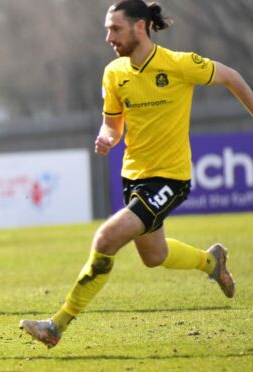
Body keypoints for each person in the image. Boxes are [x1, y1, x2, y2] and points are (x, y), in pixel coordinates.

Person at [20, 0, 253, 349]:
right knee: (153, 256)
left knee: (106, 239)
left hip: (170, 179)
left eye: (114, 29)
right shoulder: (114, 72)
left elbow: (232, 76)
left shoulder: (179, 64)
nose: (108, 37)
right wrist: (107, 137)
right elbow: (112, 124)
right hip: (133, 176)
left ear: (140, 27)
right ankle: (211, 261)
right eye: (107, 29)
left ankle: (57, 325)